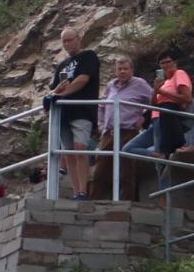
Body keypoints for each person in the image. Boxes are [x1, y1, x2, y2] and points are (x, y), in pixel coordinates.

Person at [47, 26, 100, 201]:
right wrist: (56, 92)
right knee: (68, 153)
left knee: (80, 149)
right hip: (63, 113)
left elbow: (82, 79)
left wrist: (61, 93)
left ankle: (84, 191)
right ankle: (77, 191)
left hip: (81, 109)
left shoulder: (89, 56)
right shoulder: (62, 65)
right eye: (64, 41)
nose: (67, 44)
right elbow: (55, 87)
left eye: (70, 39)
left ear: (79, 38)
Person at [101, 57, 157, 195]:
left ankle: (127, 202)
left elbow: (154, 100)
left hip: (128, 131)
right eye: (119, 69)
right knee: (100, 168)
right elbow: (101, 106)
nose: (122, 72)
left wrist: (144, 116)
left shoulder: (139, 84)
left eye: (125, 69)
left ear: (131, 70)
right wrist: (100, 124)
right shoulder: (110, 85)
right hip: (109, 132)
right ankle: (94, 201)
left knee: (127, 169)